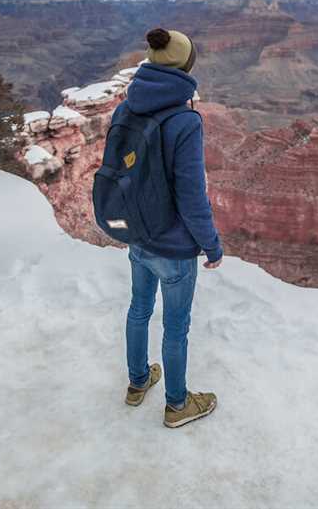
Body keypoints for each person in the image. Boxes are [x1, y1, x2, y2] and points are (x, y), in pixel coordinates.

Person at [117, 27, 223, 429]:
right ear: (186, 66)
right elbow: (192, 198)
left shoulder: (126, 108)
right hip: (174, 246)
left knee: (139, 309)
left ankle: (137, 382)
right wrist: (211, 245)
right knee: (176, 326)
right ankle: (178, 405)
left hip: (137, 234)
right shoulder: (185, 121)